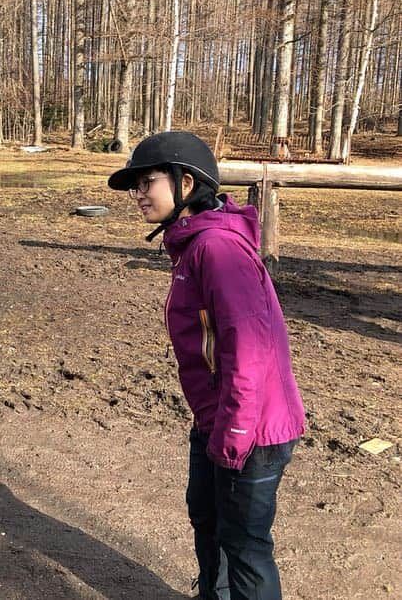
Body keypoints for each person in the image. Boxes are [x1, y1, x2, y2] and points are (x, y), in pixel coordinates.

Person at [107, 131, 305, 600]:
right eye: (135, 185)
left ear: (187, 184)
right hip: (218, 418)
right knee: (207, 519)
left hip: (251, 428)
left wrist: (235, 434)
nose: (138, 195)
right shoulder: (194, 245)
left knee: (246, 546)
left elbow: (249, 348)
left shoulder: (216, 249)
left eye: (146, 182)